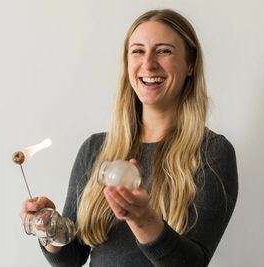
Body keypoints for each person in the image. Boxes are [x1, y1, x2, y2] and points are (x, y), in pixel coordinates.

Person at [20, 9, 238, 267]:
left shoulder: (212, 153)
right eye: (137, 51)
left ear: (190, 64)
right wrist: (48, 227)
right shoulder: (95, 149)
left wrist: (143, 220)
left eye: (164, 51)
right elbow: (71, 259)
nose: (148, 64)